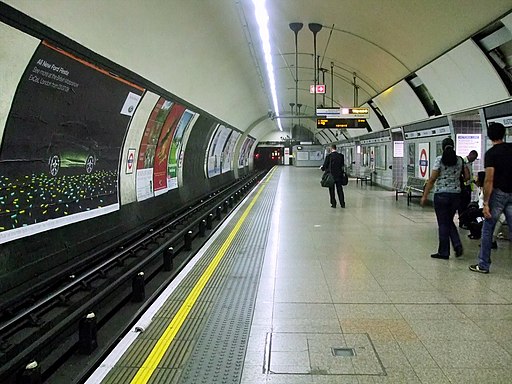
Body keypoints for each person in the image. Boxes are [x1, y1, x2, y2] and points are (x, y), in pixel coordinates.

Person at [470, 122, 512, 273]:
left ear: (489, 136)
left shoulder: (491, 154)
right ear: (504, 134)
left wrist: (486, 202)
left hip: (498, 195)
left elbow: (489, 179)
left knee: (488, 229)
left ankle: (483, 264)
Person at [420, 137, 469, 259]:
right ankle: (457, 244)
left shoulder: (439, 160)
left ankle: (444, 252)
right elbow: (467, 176)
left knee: (443, 223)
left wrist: (425, 195)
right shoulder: (460, 160)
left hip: (441, 195)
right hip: (456, 195)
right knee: (448, 220)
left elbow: (432, 179)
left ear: (442, 147)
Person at [321, 144, 345, 208]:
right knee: (340, 190)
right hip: (339, 175)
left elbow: (325, 166)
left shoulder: (329, 156)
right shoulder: (341, 156)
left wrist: (322, 168)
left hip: (331, 176)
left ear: (331, 149)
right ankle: (342, 204)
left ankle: (333, 204)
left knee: (332, 190)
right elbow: (342, 165)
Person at [458, 149, 478, 228]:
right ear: (470, 155)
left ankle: (466, 221)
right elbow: (465, 176)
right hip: (464, 187)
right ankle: (462, 222)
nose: (474, 159)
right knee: (462, 205)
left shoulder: (470, 163)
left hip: (469, 186)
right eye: (474, 157)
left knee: (467, 205)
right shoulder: (463, 162)